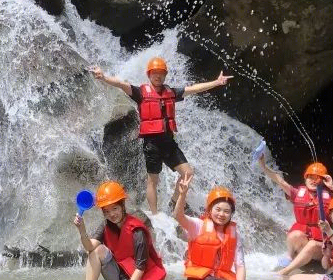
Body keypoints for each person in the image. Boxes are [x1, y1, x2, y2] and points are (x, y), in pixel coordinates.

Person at [89, 57, 231, 213]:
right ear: (149, 74)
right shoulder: (140, 92)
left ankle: (173, 203)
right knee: (152, 181)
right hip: (152, 144)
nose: (158, 76)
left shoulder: (171, 92)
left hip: (169, 143)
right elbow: (121, 84)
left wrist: (216, 82)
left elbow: (194, 89)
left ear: (165, 75)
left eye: (161, 73)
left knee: (188, 173)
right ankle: (155, 216)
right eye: (155, 73)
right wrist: (103, 77)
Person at [173, 178, 269, 280]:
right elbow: (178, 216)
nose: (221, 214)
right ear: (209, 210)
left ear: (231, 214)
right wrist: (182, 194)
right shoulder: (197, 226)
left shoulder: (234, 234)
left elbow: (240, 266)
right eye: (217, 209)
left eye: (226, 211)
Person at [71, 181, 167, 280]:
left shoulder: (137, 231)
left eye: (115, 208)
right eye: (107, 211)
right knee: (97, 251)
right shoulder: (106, 225)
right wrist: (81, 229)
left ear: (123, 205)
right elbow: (89, 247)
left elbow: (140, 267)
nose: (111, 214)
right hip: (122, 278)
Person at [259, 155, 333, 267]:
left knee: (312, 245)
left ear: (323, 181)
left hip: (320, 246)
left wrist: (332, 187)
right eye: (310, 177)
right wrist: (263, 166)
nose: (313, 181)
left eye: (317, 178)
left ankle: (291, 266)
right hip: (303, 241)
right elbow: (280, 181)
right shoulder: (297, 193)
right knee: (295, 235)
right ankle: (290, 257)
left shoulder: (330, 196)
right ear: (305, 178)